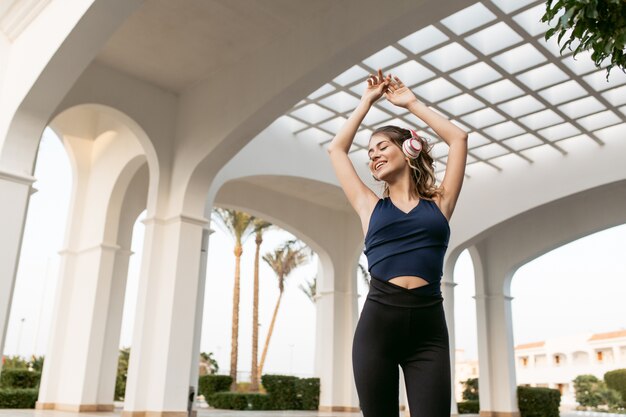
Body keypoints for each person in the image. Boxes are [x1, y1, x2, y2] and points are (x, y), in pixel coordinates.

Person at [326, 68, 468, 417]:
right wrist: (366, 102)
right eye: (370, 151)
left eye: (381, 146)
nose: (373, 155)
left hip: (429, 332)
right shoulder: (369, 205)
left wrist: (411, 103)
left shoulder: (441, 204)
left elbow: (459, 139)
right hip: (377, 329)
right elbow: (336, 149)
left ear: (409, 149)